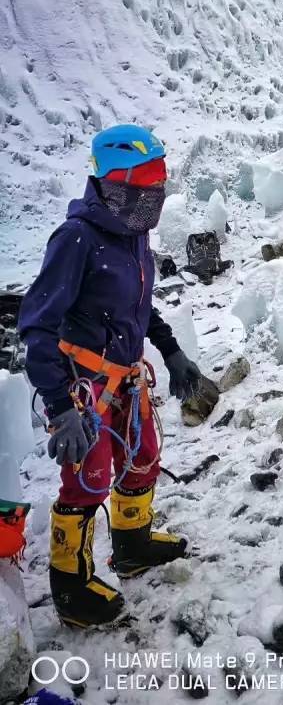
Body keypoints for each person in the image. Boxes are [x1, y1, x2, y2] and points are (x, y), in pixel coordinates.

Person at [19, 125, 202, 629]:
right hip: (85, 385)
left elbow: (139, 305)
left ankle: (133, 543)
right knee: (89, 477)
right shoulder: (76, 238)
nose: (157, 188)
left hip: (126, 376)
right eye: (146, 176)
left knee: (143, 457)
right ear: (115, 179)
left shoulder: (132, 234)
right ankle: (70, 585)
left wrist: (171, 351)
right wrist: (59, 408)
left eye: (160, 177)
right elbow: (36, 326)